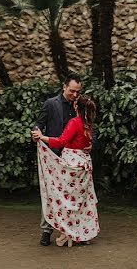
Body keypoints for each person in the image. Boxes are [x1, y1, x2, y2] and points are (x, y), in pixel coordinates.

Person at [32, 94, 99, 247]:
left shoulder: (75, 122)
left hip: (71, 163)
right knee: (81, 202)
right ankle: (82, 234)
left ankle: (67, 231)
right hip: (84, 164)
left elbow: (61, 140)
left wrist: (42, 137)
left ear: (76, 107)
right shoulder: (88, 123)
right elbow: (87, 141)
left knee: (64, 198)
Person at [32, 73, 81, 246]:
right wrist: (36, 133)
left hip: (74, 159)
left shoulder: (79, 106)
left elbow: (89, 127)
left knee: (73, 197)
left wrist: (91, 144)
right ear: (64, 87)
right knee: (50, 194)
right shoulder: (50, 104)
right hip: (53, 156)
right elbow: (39, 123)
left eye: (77, 92)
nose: (75, 95)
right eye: (72, 91)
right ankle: (46, 231)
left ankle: (74, 233)